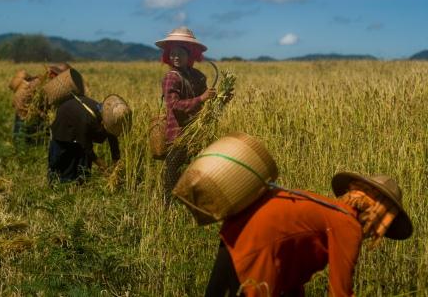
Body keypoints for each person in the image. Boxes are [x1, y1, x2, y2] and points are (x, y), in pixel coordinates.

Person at [205, 172, 413, 297]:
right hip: (257, 250)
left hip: (234, 232)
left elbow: (291, 258)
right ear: (378, 216)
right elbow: (340, 291)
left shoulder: (328, 210)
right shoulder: (347, 225)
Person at [155, 26, 216, 202]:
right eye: (173, 53)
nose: (176, 57)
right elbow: (173, 105)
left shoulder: (196, 75)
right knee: (173, 169)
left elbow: (207, 97)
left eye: (180, 53)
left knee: (194, 168)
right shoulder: (171, 77)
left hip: (196, 130)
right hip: (178, 134)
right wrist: (202, 98)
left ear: (190, 55)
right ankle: (168, 204)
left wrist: (218, 97)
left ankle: (191, 201)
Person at [48, 89, 130, 184]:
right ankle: (57, 180)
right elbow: (85, 145)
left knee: (82, 173)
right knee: (63, 164)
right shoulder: (86, 119)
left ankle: (79, 181)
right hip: (64, 124)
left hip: (81, 125)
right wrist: (101, 164)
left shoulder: (110, 117)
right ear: (103, 122)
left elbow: (113, 138)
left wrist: (116, 164)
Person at [12, 63, 71, 146]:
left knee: (25, 141)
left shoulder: (43, 81)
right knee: (23, 142)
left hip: (26, 115)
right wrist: (44, 115)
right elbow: (33, 106)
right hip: (25, 115)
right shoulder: (40, 84)